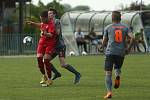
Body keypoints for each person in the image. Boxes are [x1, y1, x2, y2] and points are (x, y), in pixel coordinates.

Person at [101, 11, 133, 99]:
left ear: (112, 18)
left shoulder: (108, 27)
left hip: (110, 52)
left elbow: (104, 41)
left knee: (108, 73)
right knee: (117, 67)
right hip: (121, 52)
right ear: (120, 18)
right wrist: (129, 48)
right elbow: (132, 37)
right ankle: (118, 76)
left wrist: (101, 47)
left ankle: (109, 92)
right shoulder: (125, 27)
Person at [47, 8, 81, 84]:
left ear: (54, 14)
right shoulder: (48, 23)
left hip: (60, 46)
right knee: (45, 60)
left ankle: (77, 74)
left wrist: (48, 33)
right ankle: (57, 73)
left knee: (63, 64)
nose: (49, 15)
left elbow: (58, 32)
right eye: (48, 13)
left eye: (51, 13)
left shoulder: (56, 21)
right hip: (54, 47)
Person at [26, 10, 57, 86]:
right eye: (41, 19)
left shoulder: (52, 24)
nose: (41, 20)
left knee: (46, 60)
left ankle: (49, 79)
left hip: (50, 44)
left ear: (46, 18)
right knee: (39, 59)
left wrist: (45, 33)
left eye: (42, 19)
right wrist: (33, 24)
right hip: (42, 43)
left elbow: (51, 35)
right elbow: (40, 24)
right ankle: (44, 76)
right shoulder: (43, 23)